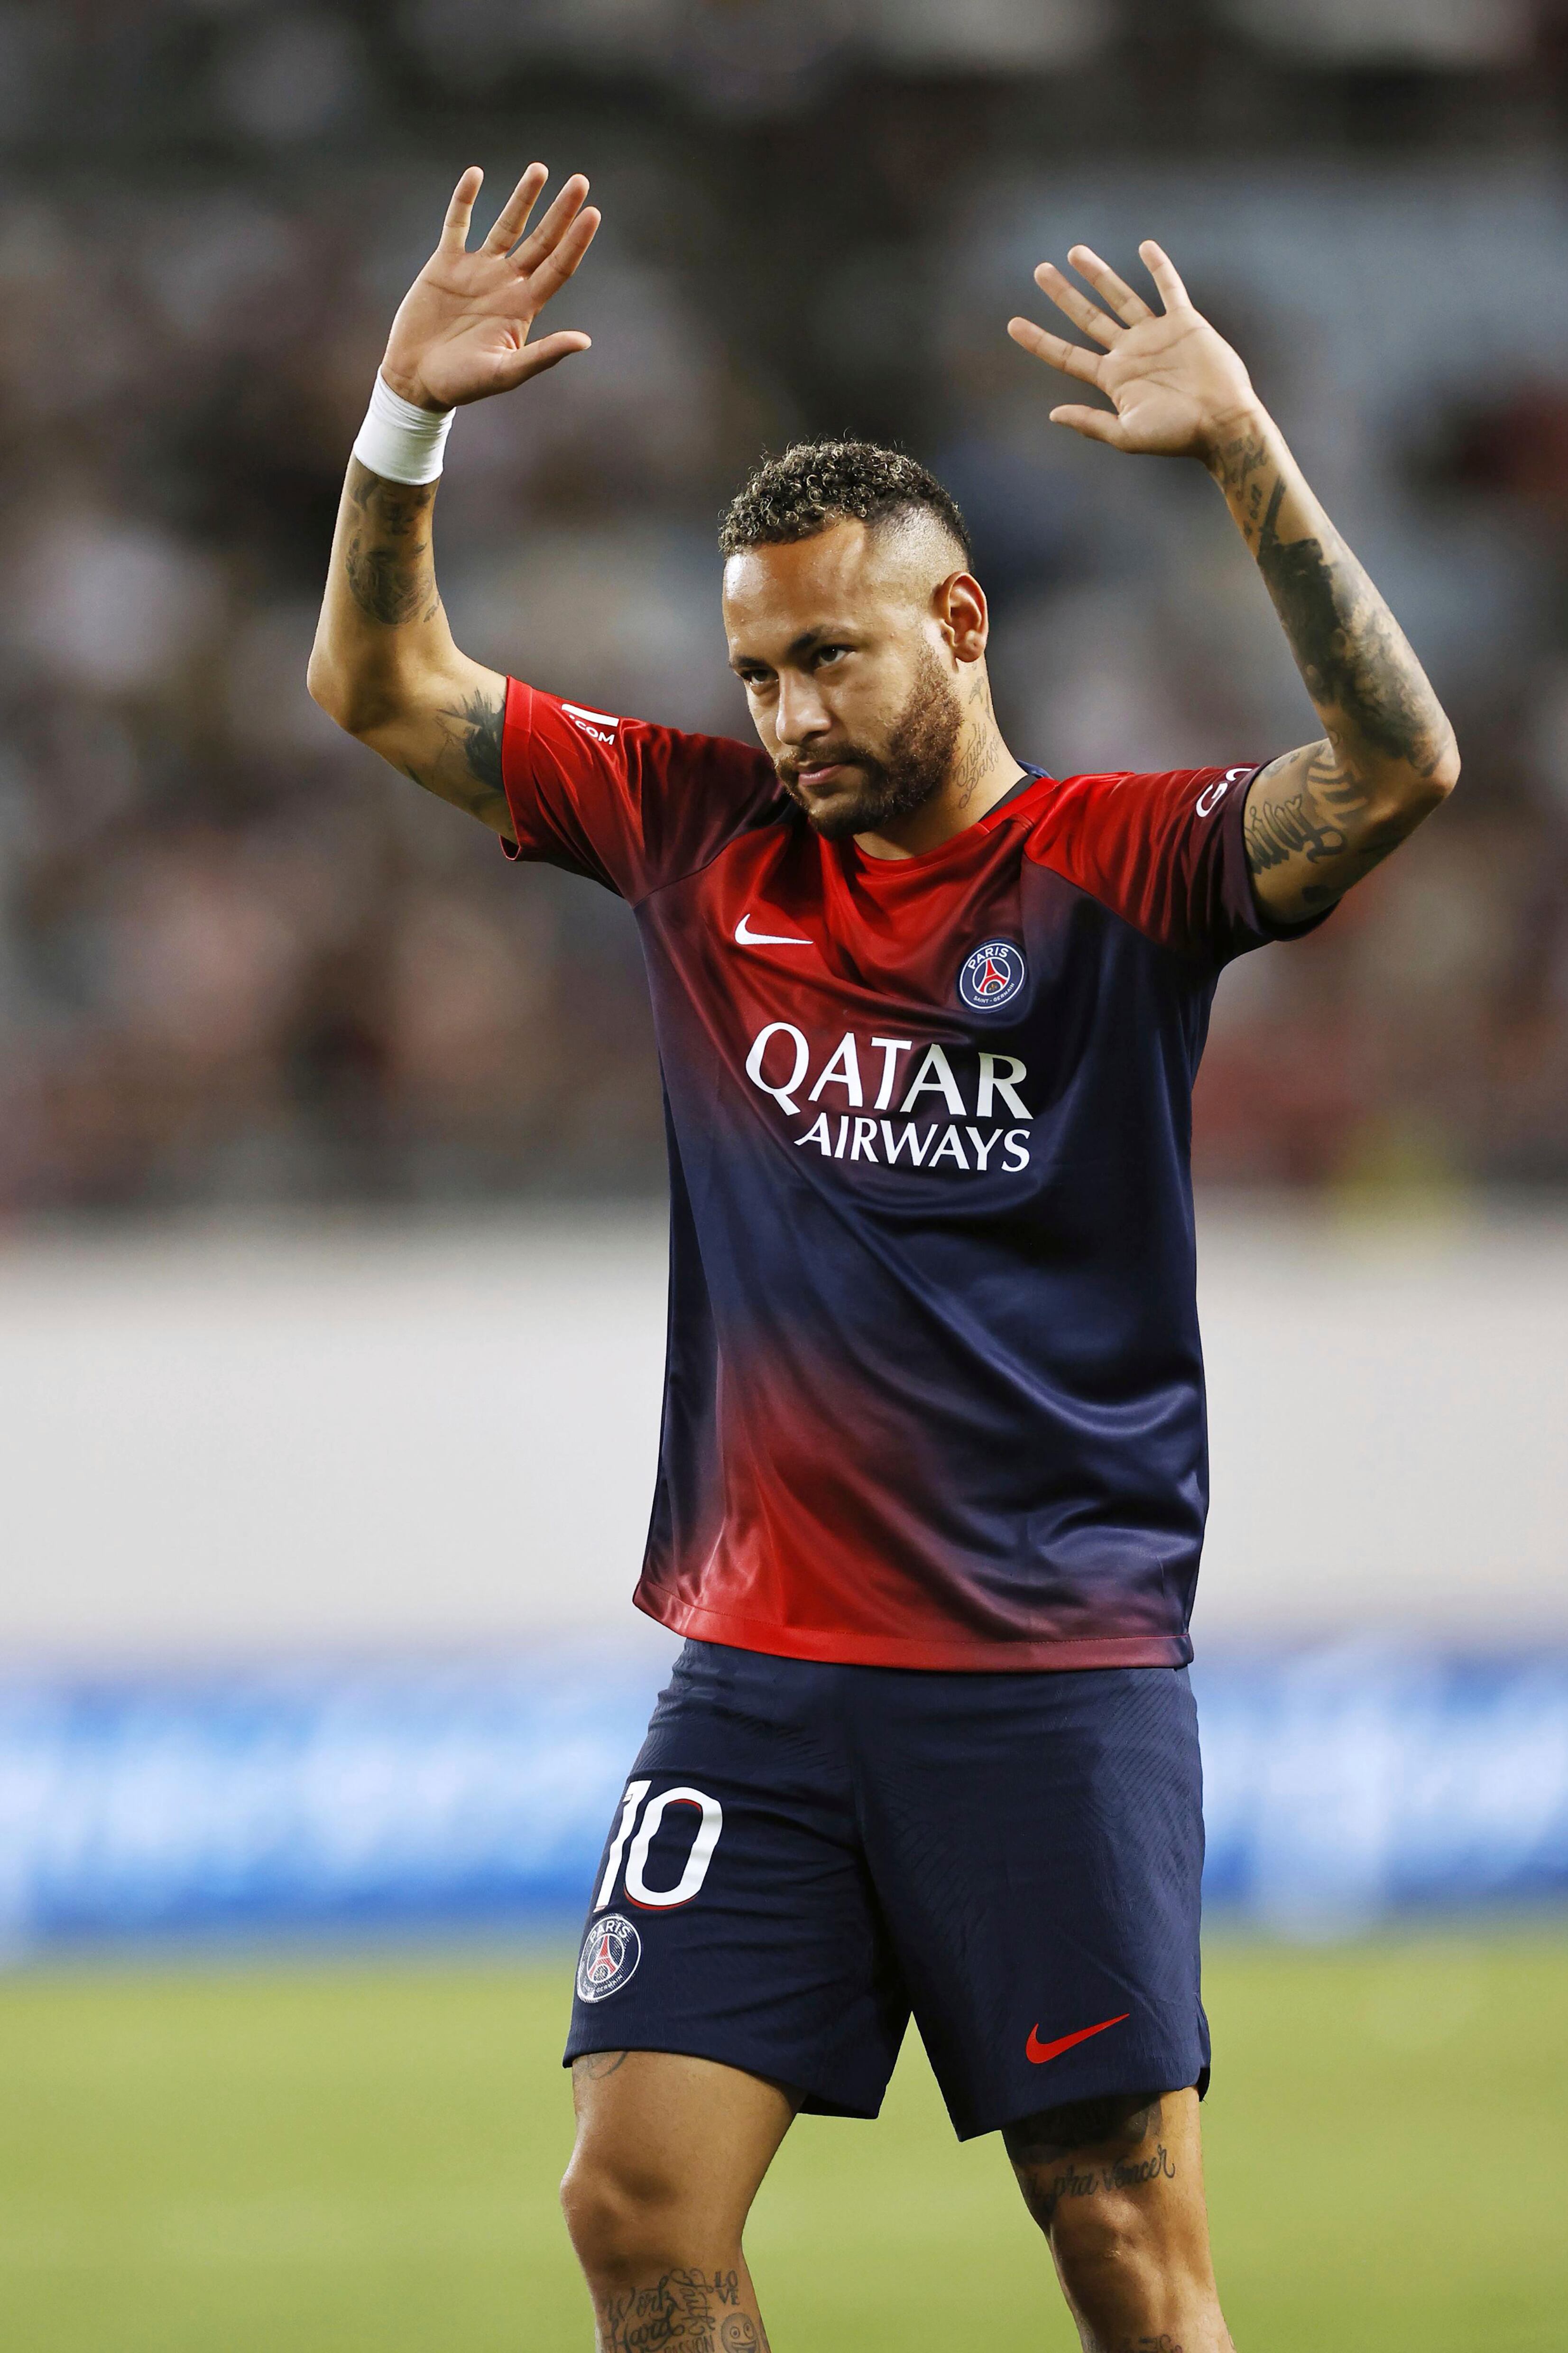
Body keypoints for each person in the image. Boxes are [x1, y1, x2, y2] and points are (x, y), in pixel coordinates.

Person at [309, 162, 1457, 2353]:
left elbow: (1396, 764)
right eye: (752, 670)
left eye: (825, 655)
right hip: (756, 1673)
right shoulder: (687, 834)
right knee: (634, 2213)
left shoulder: (1117, 865)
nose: (786, 716)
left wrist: (1243, 455)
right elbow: (376, 681)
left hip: (1044, 1675)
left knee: (1123, 2255)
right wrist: (401, 422)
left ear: (955, 626)